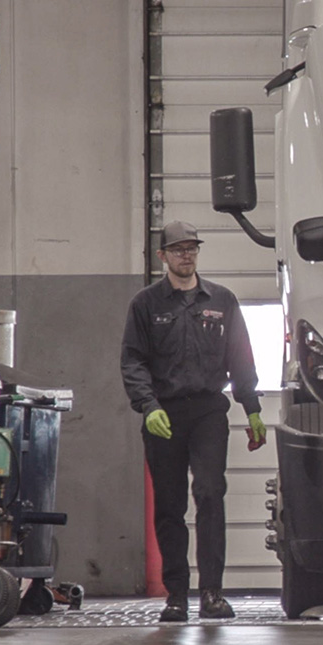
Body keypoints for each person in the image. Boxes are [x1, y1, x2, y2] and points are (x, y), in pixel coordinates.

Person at [121, 220, 266, 622]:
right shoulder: (146, 304)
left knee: (209, 493)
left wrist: (251, 408)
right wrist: (148, 406)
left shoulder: (222, 299)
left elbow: (240, 357)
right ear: (163, 255)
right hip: (164, 413)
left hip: (207, 412)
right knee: (169, 506)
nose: (187, 255)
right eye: (178, 249)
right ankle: (177, 596)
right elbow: (133, 360)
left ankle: (212, 594)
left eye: (192, 248)